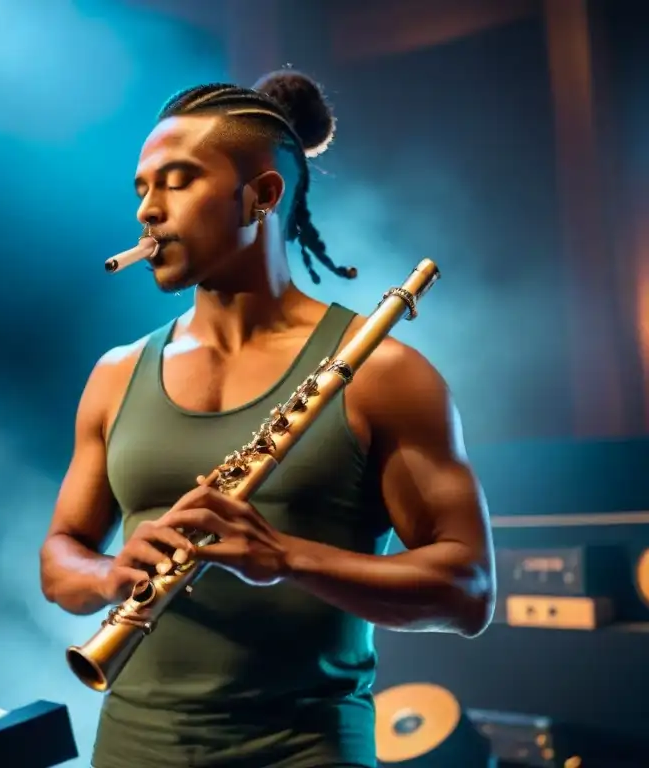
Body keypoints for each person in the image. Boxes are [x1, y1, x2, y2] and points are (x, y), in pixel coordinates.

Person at [39, 69, 495, 768]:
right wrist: (108, 575)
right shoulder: (116, 374)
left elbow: (468, 593)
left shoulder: (383, 372)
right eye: (141, 187)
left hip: (305, 752)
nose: (147, 212)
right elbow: (59, 558)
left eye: (178, 180)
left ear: (263, 195)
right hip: (131, 748)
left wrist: (287, 559)